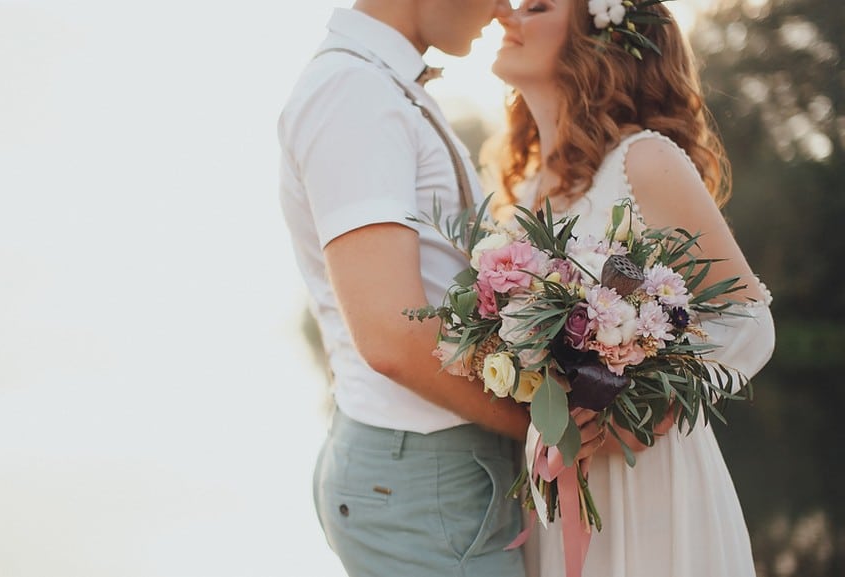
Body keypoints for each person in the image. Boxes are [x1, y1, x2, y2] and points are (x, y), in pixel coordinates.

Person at [488, 1, 777, 576]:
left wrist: (645, 413)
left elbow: (749, 319)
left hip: (650, 483)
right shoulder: (521, 193)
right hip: (559, 485)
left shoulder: (641, 161)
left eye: (538, 6)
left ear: (598, 37)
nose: (508, 14)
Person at [275, 1, 564, 575]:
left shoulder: (378, 87)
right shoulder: (354, 94)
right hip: (425, 479)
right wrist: (551, 427)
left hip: (432, 473)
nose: (505, 7)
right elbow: (391, 335)